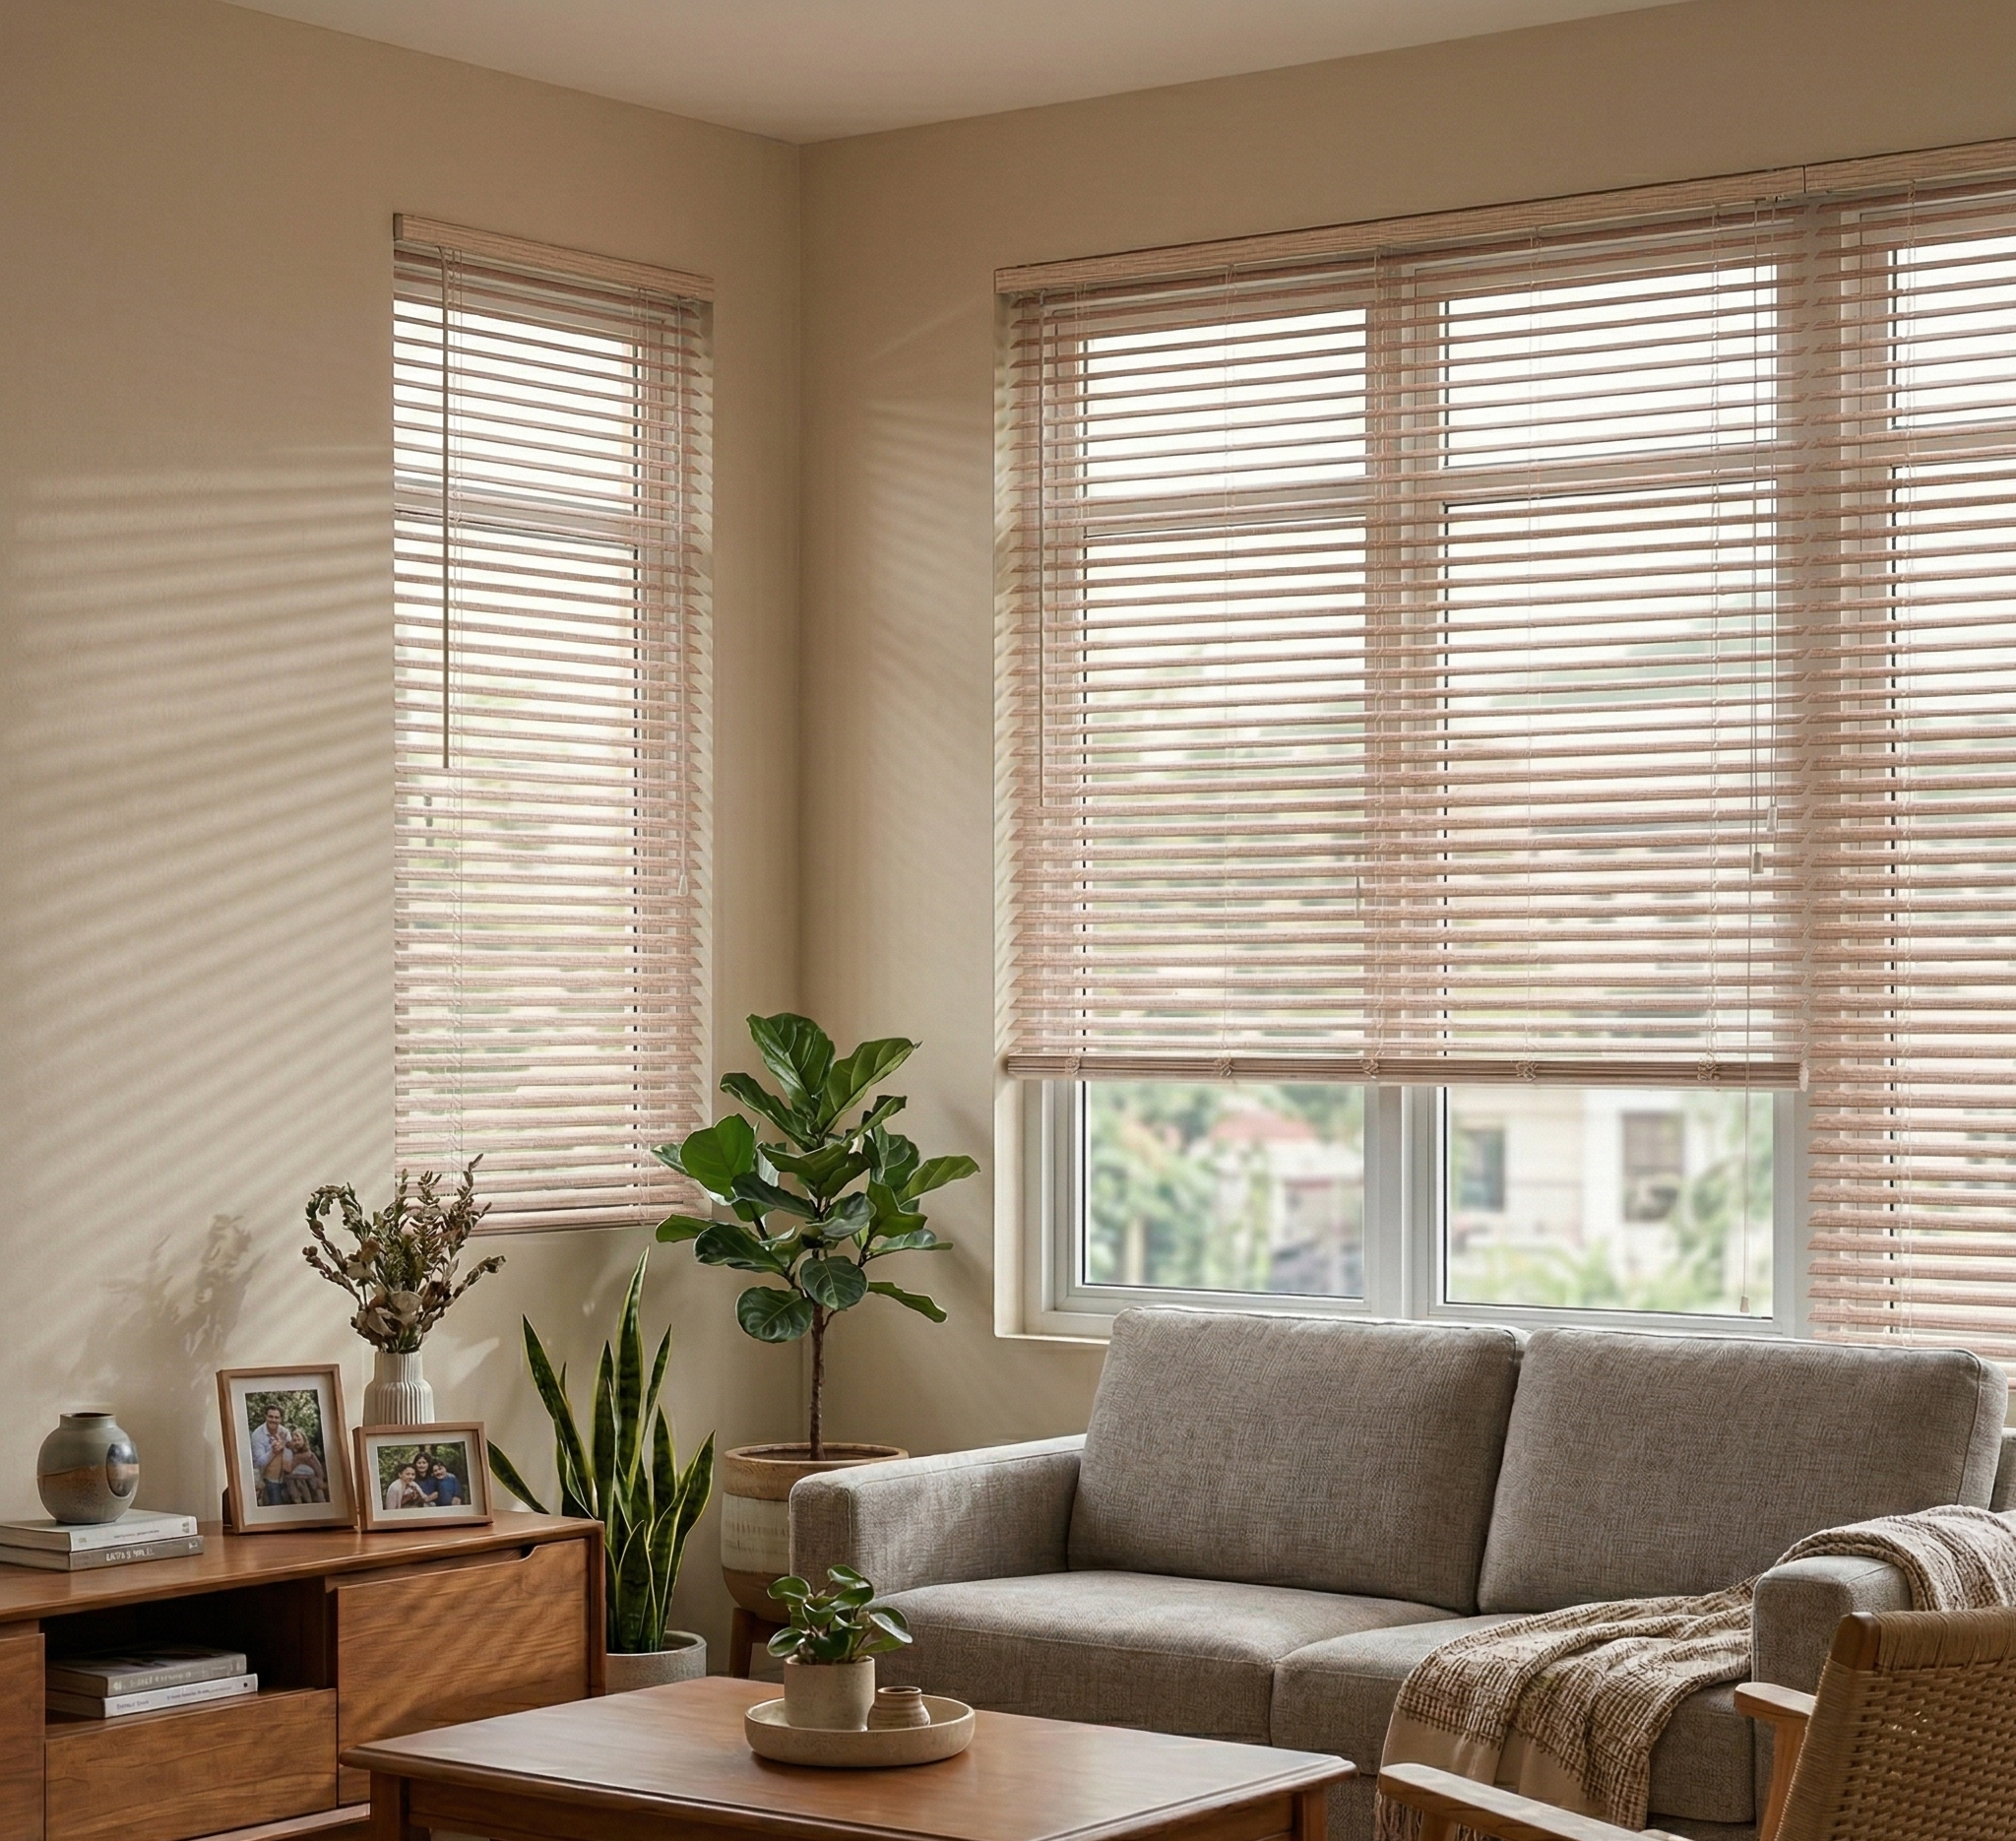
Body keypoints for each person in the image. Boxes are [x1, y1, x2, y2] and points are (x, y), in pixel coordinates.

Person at [250, 1404, 289, 1506]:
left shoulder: (284, 1432)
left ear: (280, 1419)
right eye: (270, 1416)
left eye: (276, 1417)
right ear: (265, 1416)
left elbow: (291, 1452)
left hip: (285, 1474)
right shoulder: (257, 1435)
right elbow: (259, 1463)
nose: (273, 1420)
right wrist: (273, 1451)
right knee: (276, 1504)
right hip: (266, 1476)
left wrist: (284, 1447)